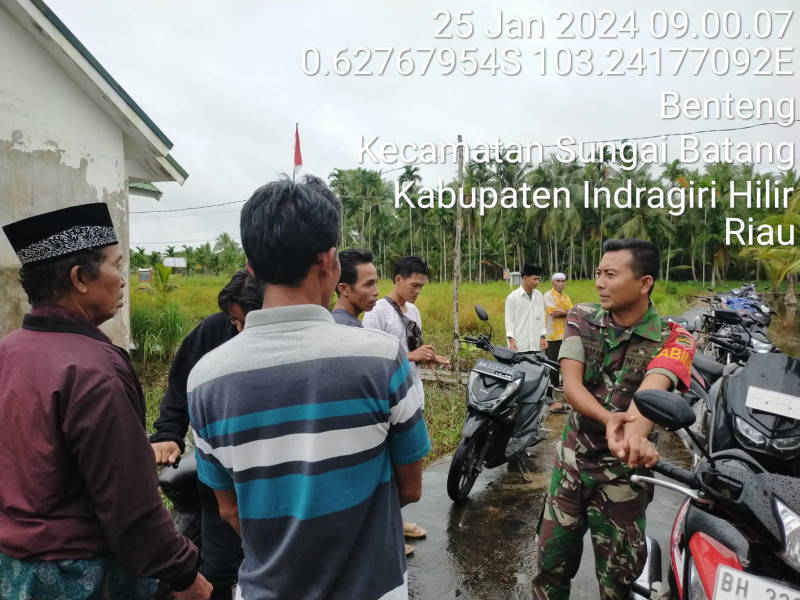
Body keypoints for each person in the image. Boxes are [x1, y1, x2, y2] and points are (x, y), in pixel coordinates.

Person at [188, 176, 430, 600]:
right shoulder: (381, 357)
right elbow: (410, 488)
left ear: (250, 266)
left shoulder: (206, 378)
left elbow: (229, 510)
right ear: (330, 261)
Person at [0, 203, 211, 600]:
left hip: (14, 570)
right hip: (80, 575)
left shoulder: (9, 350)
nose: (124, 281)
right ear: (81, 278)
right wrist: (185, 575)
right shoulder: (94, 368)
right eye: (118, 266)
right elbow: (130, 505)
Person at [532, 239, 696, 600]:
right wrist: (610, 419)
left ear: (644, 282)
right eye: (598, 273)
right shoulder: (581, 317)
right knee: (549, 569)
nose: (599, 283)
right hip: (571, 464)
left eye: (610, 274)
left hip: (623, 478)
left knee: (617, 582)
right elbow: (571, 385)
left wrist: (634, 437)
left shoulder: (676, 339)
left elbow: (653, 390)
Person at [150, 269, 263, 600]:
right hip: (219, 479)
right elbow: (181, 385)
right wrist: (168, 433)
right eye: (233, 321)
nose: (237, 330)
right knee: (217, 568)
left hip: (268, 477)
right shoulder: (214, 330)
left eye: (244, 322)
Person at [363, 256, 450, 412]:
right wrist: (410, 356)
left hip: (415, 393)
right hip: (391, 398)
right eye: (414, 285)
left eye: (421, 286)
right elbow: (369, 358)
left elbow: (414, 349)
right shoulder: (377, 311)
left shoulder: (413, 311)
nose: (417, 291)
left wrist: (428, 356)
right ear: (398, 280)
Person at [506, 263, 566, 414]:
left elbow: (540, 318)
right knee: (519, 375)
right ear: (525, 278)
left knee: (541, 372)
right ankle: (516, 405)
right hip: (519, 344)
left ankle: (549, 402)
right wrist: (511, 341)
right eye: (535, 279)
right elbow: (509, 322)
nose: (537, 282)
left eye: (539, 279)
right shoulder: (513, 297)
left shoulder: (538, 296)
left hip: (535, 343)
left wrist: (542, 336)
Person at [331, 248, 378, 327]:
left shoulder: (333, 321)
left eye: (376, 283)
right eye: (369, 284)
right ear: (344, 289)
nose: (376, 292)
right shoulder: (350, 328)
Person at [543, 273, 573, 391]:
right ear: (553, 282)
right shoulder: (548, 295)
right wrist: (567, 312)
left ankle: (562, 382)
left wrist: (565, 312)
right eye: (558, 281)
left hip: (565, 333)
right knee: (552, 360)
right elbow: (554, 312)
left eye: (563, 281)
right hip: (552, 333)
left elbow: (573, 312)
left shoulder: (566, 297)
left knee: (564, 359)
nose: (561, 284)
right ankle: (553, 384)